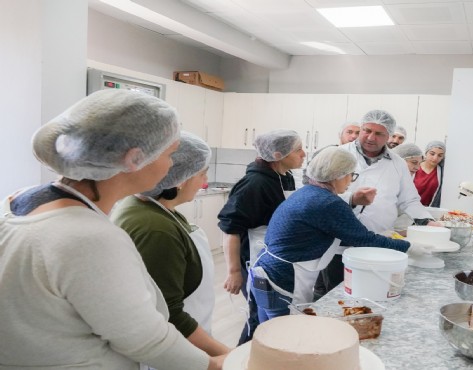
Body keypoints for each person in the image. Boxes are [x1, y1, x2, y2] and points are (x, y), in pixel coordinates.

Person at [0, 90, 223, 369]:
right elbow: (146, 340)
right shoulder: (88, 238)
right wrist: (218, 366)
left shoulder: (20, 200)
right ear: (135, 159)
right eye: (170, 154)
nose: (171, 166)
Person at [250, 146, 430, 322]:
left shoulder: (309, 192)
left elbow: (343, 231)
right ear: (339, 176)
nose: (351, 181)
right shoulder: (328, 202)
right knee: (284, 338)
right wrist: (408, 247)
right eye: (351, 175)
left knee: (267, 333)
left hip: (267, 272)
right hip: (284, 278)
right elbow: (363, 239)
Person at [111, 131, 231, 359]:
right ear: (180, 178)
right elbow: (168, 313)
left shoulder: (151, 208)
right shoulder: (154, 228)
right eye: (202, 175)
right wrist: (225, 355)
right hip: (175, 352)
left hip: (186, 343)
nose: (204, 183)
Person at [314, 110, 443, 297]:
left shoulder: (397, 163)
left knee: (373, 295)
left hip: (379, 241)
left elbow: (410, 199)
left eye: (379, 133)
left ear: (388, 136)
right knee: (335, 296)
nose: (370, 137)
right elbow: (317, 195)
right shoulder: (338, 155)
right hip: (338, 243)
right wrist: (352, 198)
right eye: (366, 130)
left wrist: (428, 222)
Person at [217, 129, 305, 345]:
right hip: (254, 262)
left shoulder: (285, 177)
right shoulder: (254, 184)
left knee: (267, 317)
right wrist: (234, 272)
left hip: (273, 259)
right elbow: (231, 229)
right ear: (278, 155)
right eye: (298, 149)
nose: (304, 153)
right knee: (258, 318)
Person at [391, 143, 425, 232]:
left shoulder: (406, 180)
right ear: (398, 160)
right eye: (414, 162)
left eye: (420, 164)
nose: (417, 168)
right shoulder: (385, 181)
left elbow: (410, 202)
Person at [414, 140, 446, 207]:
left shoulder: (442, 173)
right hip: (409, 209)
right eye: (432, 154)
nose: (435, 158)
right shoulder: (414, 169)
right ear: (426, 153)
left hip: (430, 211)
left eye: (440, 155)